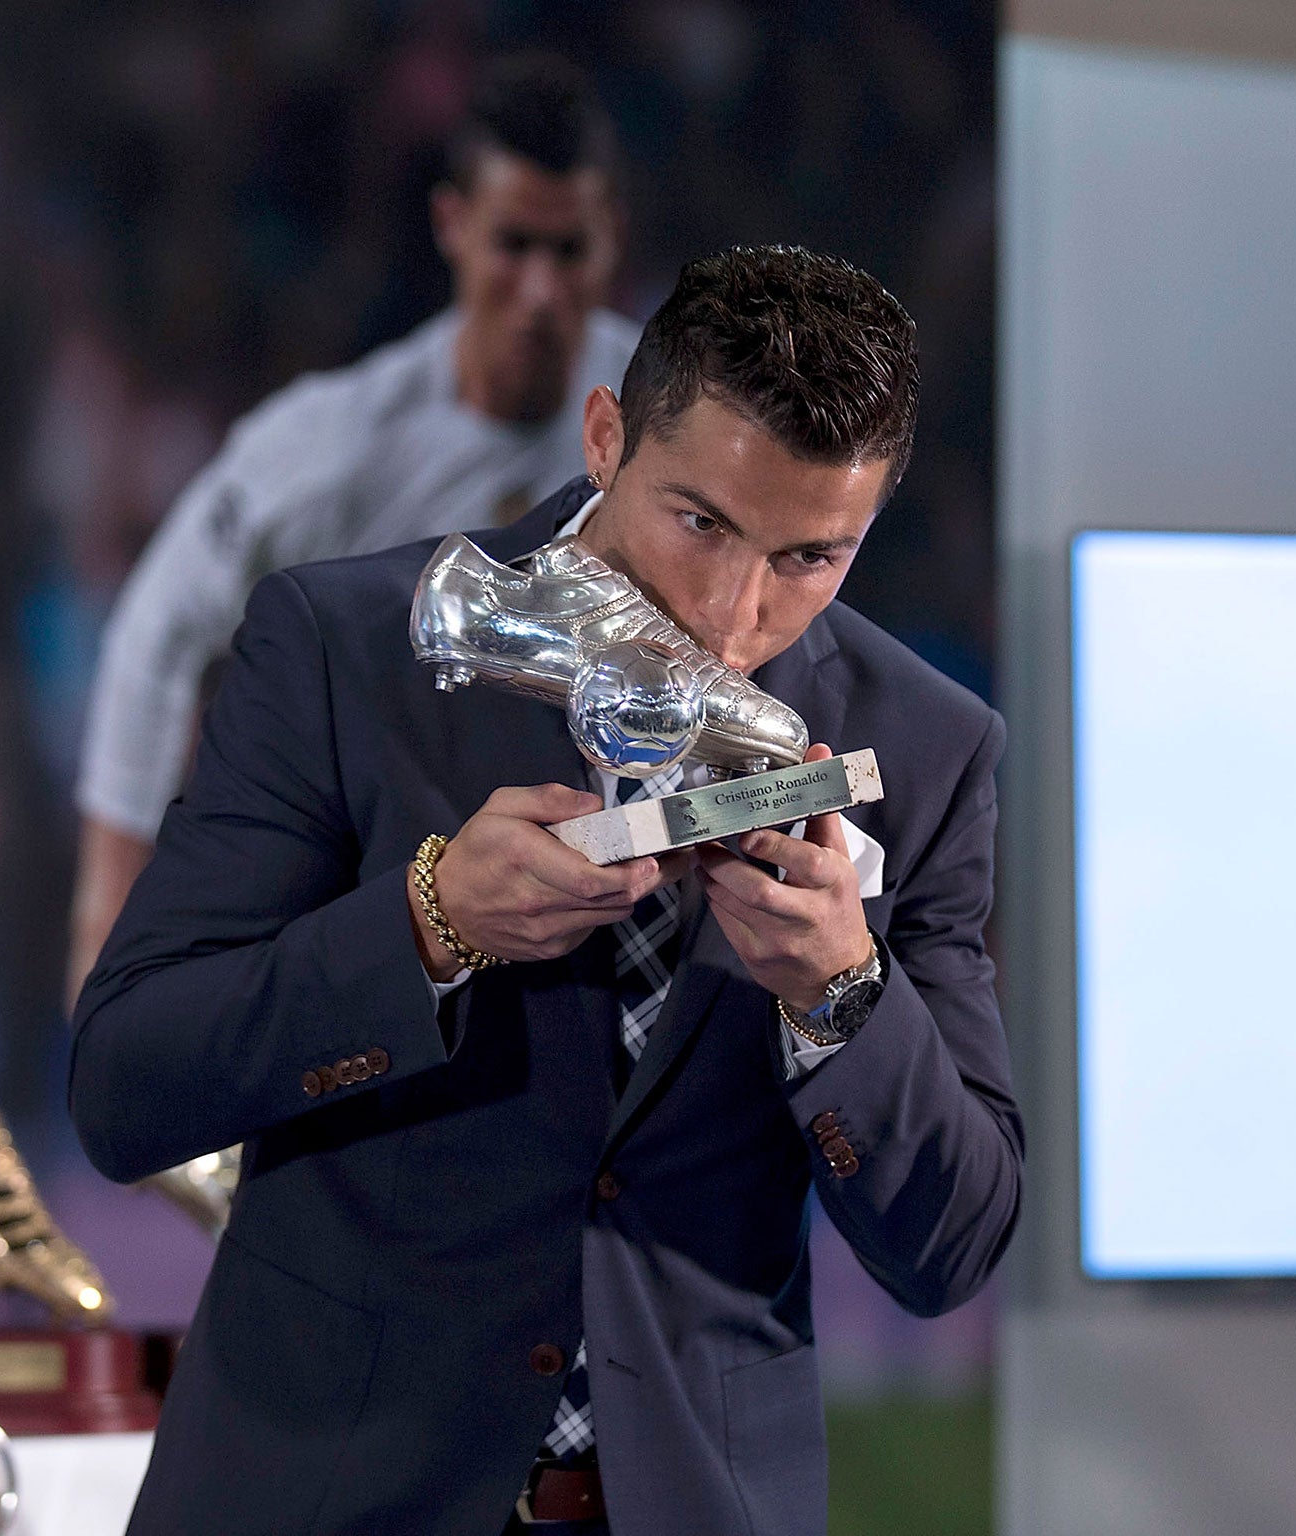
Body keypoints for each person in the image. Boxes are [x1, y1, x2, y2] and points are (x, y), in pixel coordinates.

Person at [70, 245, 1021, 1536]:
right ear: (604, 436)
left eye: (810, 557)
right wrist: (427, 923)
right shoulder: (347, 648)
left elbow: (953, 1247)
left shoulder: (921, 753)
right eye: (702, 522)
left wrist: (844, 997)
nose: (736, 613)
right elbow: (127, 1082)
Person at [68, 53, 639, 998]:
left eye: (568, 251)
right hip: (381, 896)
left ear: (610, 240)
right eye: (513, 246)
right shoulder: (331, 449)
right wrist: (107, 915)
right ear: (452, 225)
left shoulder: (667, 426)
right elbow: (155, 635)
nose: (540, 289)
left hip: (606, 894)